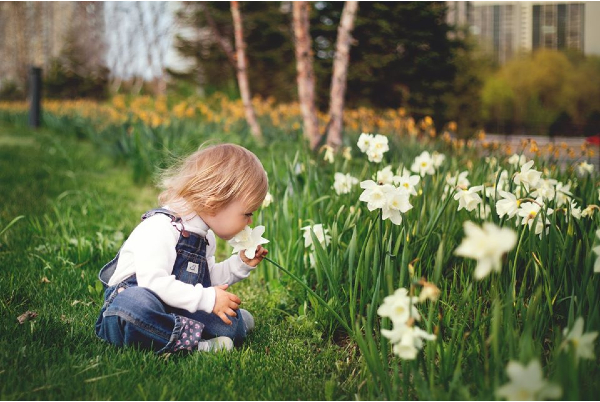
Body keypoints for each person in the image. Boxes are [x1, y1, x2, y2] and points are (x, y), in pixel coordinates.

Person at [95, 143, 269, 353]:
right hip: (135, 305)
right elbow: (153, 283)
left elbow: (207, 279)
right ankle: (196, 345)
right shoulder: (161, 227)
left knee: (231, 325)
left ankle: (225, 326)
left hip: (174, 306)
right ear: (215, 202)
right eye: (247, 213)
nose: (249, 222)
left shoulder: (205, 237)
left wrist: (240, 264)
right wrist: (208, 299)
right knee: (134, 307)